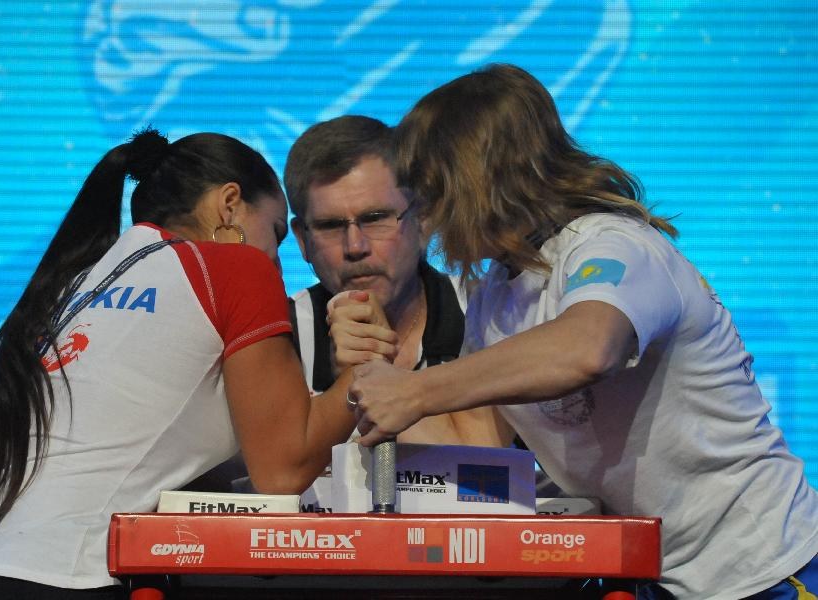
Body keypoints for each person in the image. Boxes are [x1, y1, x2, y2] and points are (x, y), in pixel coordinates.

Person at [342, 64, 818, 599]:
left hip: (762, 567)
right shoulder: (494, 289)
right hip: (652, 574)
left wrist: (417, 390)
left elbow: (588, 347)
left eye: (434, 193)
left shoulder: (612, 244)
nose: (424, 218)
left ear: (480, 180)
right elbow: (478, 444)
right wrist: (365, 381)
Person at [0, 129, 356, 599]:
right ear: (230, 205)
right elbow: (282, 472)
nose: (277, 263)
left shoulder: (72, 283)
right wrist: (364, 373)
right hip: (66, 578)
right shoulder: (234, 268)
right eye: (277, 234)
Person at [284, 115, 510, 446]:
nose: (355, 247)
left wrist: (368, 374)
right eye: (330, 225)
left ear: (424, 217)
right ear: (303, 240)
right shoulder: (279, 338)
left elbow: (485, 473)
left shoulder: (489, 312)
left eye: (375, 219)